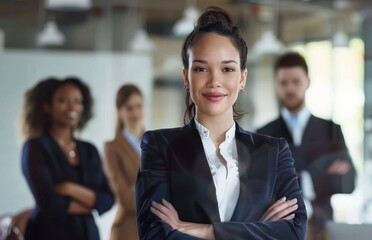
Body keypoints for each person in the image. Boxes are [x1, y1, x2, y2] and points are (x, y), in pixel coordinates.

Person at [135, 6, 307, 240]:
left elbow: (294, 232)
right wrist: (257, 229)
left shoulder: (274, 151)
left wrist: (207, 231)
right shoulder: (159, 146)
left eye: (227, 69)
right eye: (201, 68)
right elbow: (155, 235)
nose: (215, 81)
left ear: (242, 77)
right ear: (186, 77)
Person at [257, 52, 356, 234]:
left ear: (307, 82)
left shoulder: (331, 130)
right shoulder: (263, 134)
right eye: (283, 83)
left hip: (323, 227)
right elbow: (261, 185)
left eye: (296, 81)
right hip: (279, 229)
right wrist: (321, 174)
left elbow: (349, 182)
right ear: (276, 85)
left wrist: (295, 178)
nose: (290, 89)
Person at [21, 77, 114, 240]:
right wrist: (91, 203)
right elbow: (49, 204)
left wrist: (71, 188)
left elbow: (108, 199)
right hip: (48, 234)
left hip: (88, 234)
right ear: (47, 106)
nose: (72, 107)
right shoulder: (35, 147)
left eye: (78, 101)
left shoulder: (90, 150)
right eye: (63, 100)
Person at [104, 84, 144, 240]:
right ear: (119, 111)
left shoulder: (155, 142)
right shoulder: (112, 147)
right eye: (129, 108)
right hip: (127, 229)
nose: (135, 112)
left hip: (154, 229)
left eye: (139, 106)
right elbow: (124, 197)